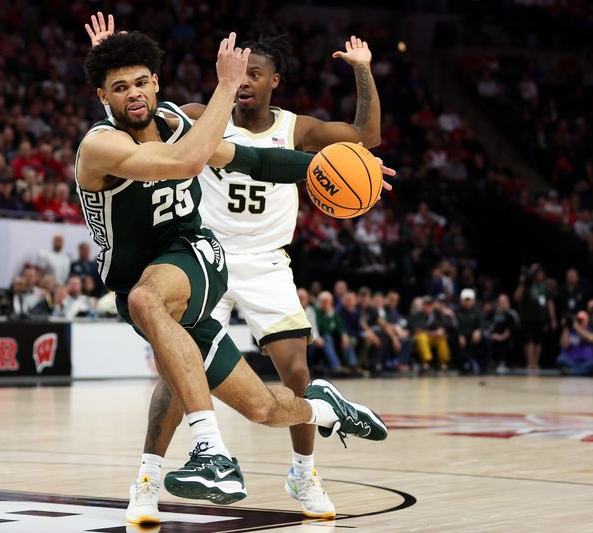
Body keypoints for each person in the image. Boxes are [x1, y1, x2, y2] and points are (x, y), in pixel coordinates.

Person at [85, 13, 391, 520]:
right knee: (246, 400)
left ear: (274, 81)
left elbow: (278, 157)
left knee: (164, 311)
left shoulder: (266, 126)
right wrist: (111, 60)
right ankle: (326, 409)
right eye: (237, 72)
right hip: (182, 263)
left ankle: (243, 460)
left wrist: (331, 163)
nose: (244, 80)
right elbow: (133, 126)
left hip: (213, 257)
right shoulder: (171, 124)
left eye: (143, 82)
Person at [556, 311, 593, 376]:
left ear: (587, 320)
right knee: (560, 359)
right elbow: (564, 345)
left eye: (582, 320)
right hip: (573, 361)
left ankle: (575, 372)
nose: (580, 322)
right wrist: (566, 327)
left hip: (587, 361)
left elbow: (592, 339)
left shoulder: (590, 330)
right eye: (578, 320)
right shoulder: (571, 331)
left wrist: (577, 327)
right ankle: (582, 371)